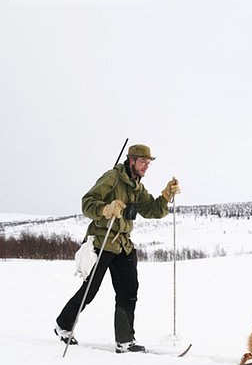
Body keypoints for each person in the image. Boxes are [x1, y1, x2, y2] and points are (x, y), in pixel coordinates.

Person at [54, 144, 180, 353]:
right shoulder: (112, 178)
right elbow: (86, 202)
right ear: (131, 160)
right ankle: (64, 326)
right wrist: (105, 208)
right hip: (102, 241)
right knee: (90, 289)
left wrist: (166, 195)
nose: (146, 167)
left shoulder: (137, 187)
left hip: (123, 244)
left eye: (148, 163)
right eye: (143, 162)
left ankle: (124, 341)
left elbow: (151, 210)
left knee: (129, 290)